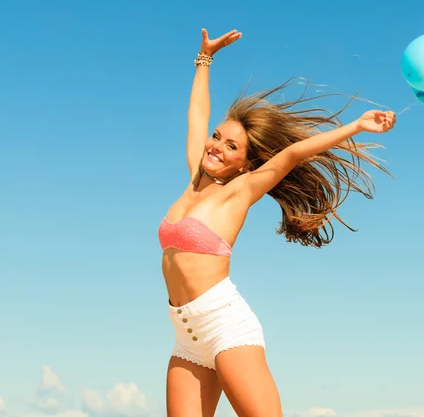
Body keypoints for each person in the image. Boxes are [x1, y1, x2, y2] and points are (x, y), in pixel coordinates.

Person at [160, 28, 396, 417]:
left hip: (224, 326)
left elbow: (291, 156)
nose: (216, 146)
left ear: (246, 163)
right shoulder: (192, 180)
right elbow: (197, 113)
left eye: (230, 146)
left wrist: (356, 127)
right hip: (185, 336)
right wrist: (204, 60)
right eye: (217, 137)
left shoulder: (240, 192)